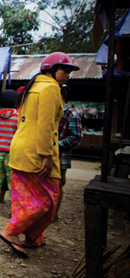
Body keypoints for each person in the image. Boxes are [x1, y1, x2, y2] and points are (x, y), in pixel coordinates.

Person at [0, 52, 80, 258]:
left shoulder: (30, 88)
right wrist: (47, 155)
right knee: (47, 200)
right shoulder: (51, 89)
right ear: (50, 70)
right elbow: (46, 125)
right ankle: (11, 232)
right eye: (64, 70)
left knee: (23, 198)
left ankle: (33, 238)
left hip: (19, 147)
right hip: (37, 150)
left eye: (69, 71)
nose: (67, 75)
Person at [56, 85, 83, 219]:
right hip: (46, 153)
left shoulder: (71, 113)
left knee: (58, 183)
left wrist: (57, 144)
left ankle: (53, 215)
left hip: (61, 156)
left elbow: (76, 137)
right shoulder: (53, 111)